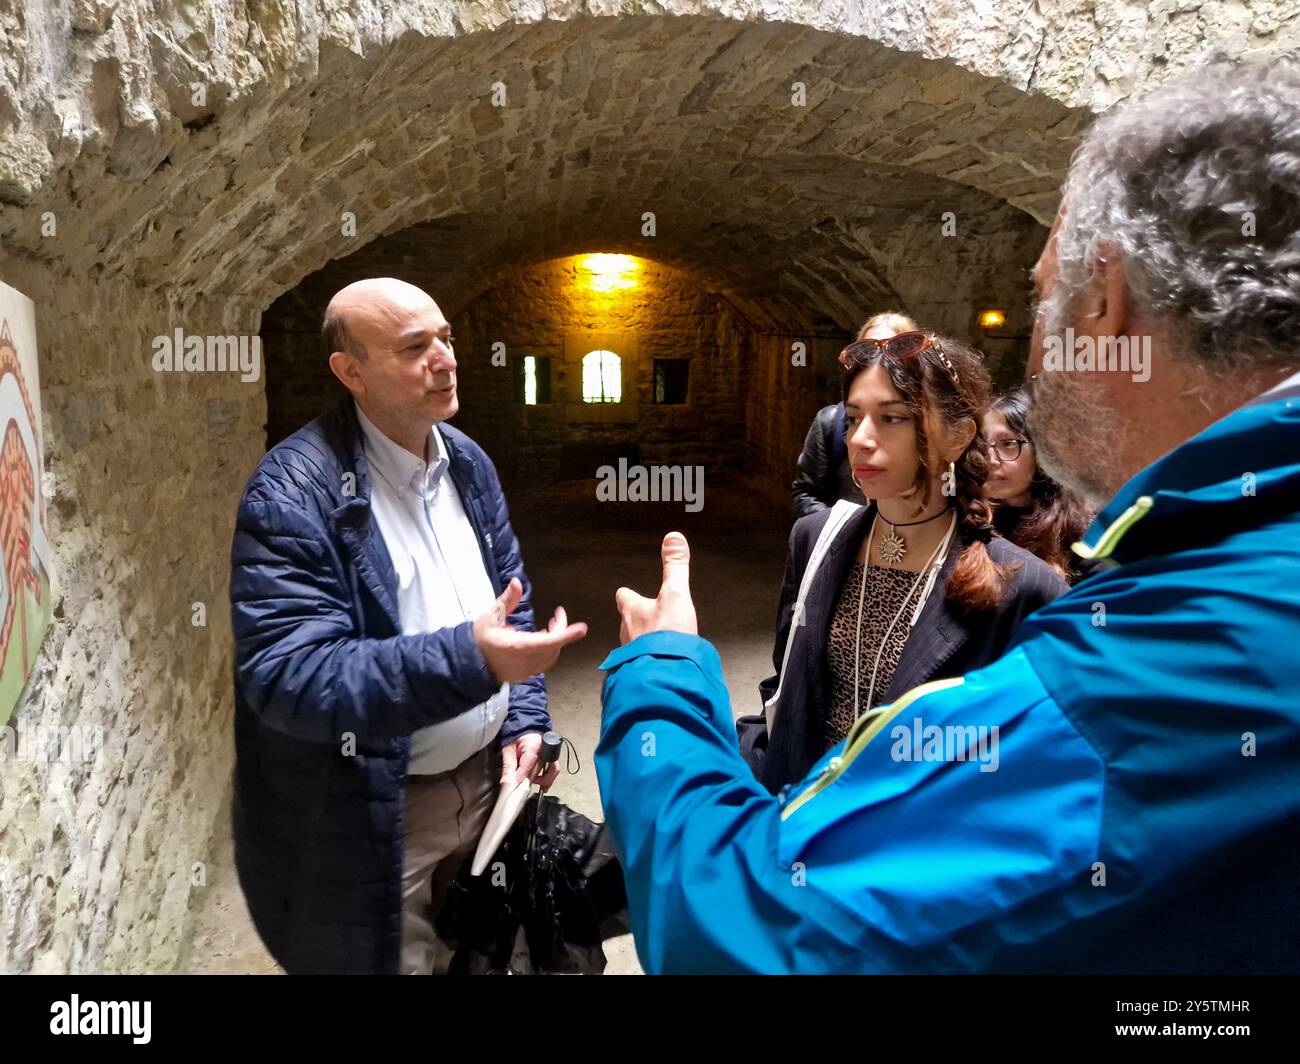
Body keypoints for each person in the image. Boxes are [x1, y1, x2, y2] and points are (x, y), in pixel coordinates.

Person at [595, 57, 1300, 973]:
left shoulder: (1151, 651)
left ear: (1105, 295)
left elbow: (752, 931)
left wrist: (660, 676)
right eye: (854, 419)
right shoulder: (1228, 564)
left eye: (1044, 293)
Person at [229, 278, 587, 975]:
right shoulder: (291, 492)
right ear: (351, 371)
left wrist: (523, 718)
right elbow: (289, 676)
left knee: (485, 950)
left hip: (489, 791)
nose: (445, 359)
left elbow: (507, 601)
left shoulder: (467, 463)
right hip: (376, 814)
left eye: (447, 339)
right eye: (415, 347)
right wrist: (472, 661)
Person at [737, 332, 1066, 794]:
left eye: (892, 418)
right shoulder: (814, 538)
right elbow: (785, 682)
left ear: (956, 436)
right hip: (803, 826)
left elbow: (1037, 763)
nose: (861, 440)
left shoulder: (1024, 585)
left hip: (915, 850)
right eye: (853, 419)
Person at [791, 312, 917, 516]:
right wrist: (840, 530)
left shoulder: (926, 425)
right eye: (867, 350)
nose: (876, 361)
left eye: (891, 350)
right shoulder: (831, 422)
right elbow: (806, 493)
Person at [985, 389, 1097, 583]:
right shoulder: (970, 518)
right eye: (982, 444)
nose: (990, 459)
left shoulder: (1082, 531)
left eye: (1008, 443)